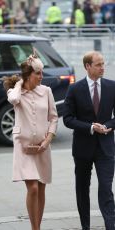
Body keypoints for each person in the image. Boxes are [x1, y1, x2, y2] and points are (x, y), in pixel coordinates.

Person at [3, 52, 58, 230]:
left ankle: (37, 227)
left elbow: (54, 118)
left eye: (42, 73)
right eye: (38, 73)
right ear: (28, 75)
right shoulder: (16, 92)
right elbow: (13, 99)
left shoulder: (46, 91)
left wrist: (48, 139)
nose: (41, 77)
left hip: (43, 146)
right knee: (32, 188)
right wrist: (20, 82)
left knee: (41, 188)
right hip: (24, 147)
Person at [63, 51, 115, 230]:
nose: (103, 67)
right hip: (83, 148)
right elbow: (67, 119)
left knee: (106, 188)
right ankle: (85, 226)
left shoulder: (112, 86)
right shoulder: (75, 89)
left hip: (106, 148)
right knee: (82, 189)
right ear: (87, 66)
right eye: (98, 64)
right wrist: (91, 127)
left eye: (103, 63)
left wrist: (108, 125)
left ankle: (110, 225)